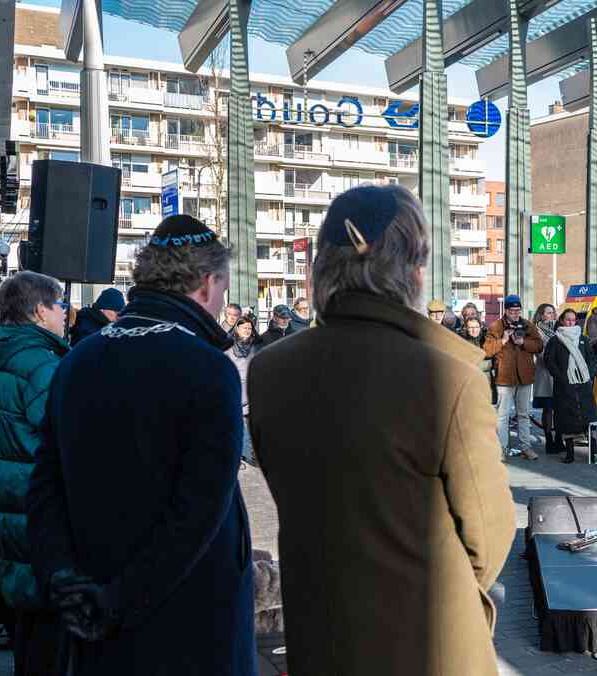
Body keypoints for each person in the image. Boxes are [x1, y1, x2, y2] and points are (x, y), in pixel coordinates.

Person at [246, 184, 515, 675]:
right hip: (428, 645)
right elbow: (490, 536)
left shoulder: (269, 371)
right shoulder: (448, 379)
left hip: (323, 639)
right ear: (412, 268)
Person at [27, 214, 255, 675]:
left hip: (96, 616)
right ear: (208, 284)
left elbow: (44, 487)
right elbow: (198, 513)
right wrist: (120, 600)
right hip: (189, 624)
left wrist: (64, 580)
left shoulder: (79, 360)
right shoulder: (208, 369)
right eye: (224, 291)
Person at [0, 271, 70, 676]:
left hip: (10, 504)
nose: (66, 312)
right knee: (49, 635)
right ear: (38, 311)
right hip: (36, 507)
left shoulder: (1, 354)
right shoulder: (38, 363)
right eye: (60, 304)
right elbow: (65, 434)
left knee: (28, 626)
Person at [484, 294, 544, 459]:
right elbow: (487, 350)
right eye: (513, 311)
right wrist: (503, 341)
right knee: (502, 415)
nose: (516, 313)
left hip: (524, 377)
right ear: (506, 310)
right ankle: (502, 449)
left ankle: (526, 447)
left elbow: (539, 345)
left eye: (518, 310)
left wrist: (523, 343)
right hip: (504, 377)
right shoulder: (496, 326)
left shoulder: (527, 325)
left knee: (523, 414)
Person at [542, 309, 597, 463]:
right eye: (568, 320)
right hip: (564, 386)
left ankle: (593, 453)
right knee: (566, 419)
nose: (571, 322)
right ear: (562, 320)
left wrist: (590, 375)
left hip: (583, 385)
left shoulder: (583, 339)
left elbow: (591, 359)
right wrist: (560, 377)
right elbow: (549, 361)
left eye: (573, 320)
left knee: (588, 418)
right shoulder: (555, 340)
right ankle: (570, 452)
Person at [226, 315, 259, 466]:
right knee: (237, 428)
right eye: (244, 327)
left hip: (252, 392)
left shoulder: (257, 346)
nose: (247, 330)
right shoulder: (227, 346)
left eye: (249, 328)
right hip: (235, 391)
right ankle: (240, 457)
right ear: (237, 329)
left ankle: (249, 457)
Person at [533, 304, 560, 454]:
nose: (552, 315)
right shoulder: (537, 331)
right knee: (548, 408)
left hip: (559, 373)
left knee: (560, 408)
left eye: (553, 312)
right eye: (549, 313)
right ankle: (549, 439)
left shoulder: (557, 329)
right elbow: (539, 352)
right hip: (545, 373)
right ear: (541, 315)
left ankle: (559, 438)